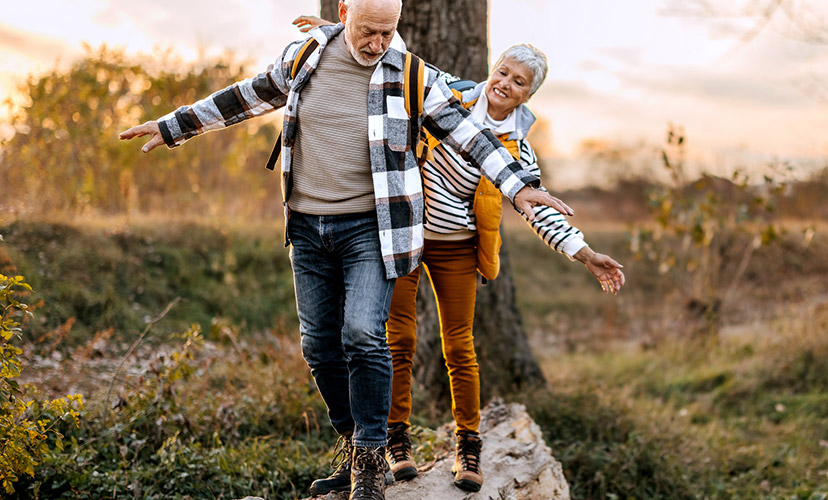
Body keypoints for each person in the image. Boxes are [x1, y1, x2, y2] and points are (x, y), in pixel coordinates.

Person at [119, 1, 572, 499]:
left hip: (371, 228)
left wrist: (520, 186)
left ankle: (373, 462)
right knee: (318, 346)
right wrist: (174, 125)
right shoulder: (304, 57)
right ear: (342, 13)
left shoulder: (411, 75)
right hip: (307, 227)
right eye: (367, 31)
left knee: (362, 332)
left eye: (388, 32)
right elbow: (246, 96)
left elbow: (472, 135)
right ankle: (355, 444)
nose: (378, 44)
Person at [295, 16, 627, 493]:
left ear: (528, 95)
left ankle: (468, 445)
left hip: (457, 251)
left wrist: (584, 251)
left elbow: (537, 208)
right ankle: (395, 441)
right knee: (397, 341)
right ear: (492, 69)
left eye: (519, 82)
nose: (505, 84)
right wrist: (340, 26)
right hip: (405, 237)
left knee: (459, 348)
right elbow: (398, 54)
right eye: (504, 72)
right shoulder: (449, 95)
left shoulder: (519, 149)